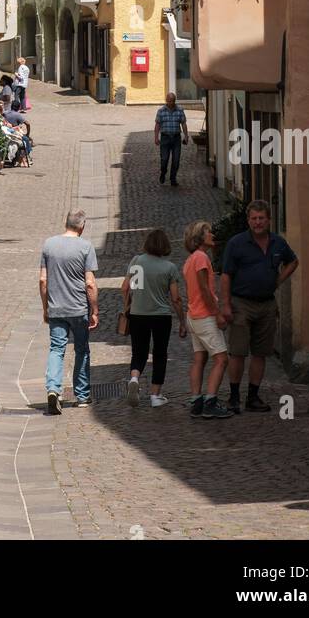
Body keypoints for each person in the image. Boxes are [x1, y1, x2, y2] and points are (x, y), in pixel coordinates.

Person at [219, 200, 299, 414]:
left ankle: (253, 397)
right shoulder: (236, 243)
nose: (257, 222)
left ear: (269, 220)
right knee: (237, 352)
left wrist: (278, 280)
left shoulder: (278, 243)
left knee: (261, 353)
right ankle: (234, 397)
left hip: (266, 304)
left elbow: (293, 261)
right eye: (253, 218)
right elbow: (226, 275)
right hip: (241, 303)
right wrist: (225, 304)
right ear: (248, 220)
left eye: (261, 218)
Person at [39, 209, 99, 412]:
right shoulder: (85, 246)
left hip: (56, 307)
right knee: (81, 350)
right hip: (78, 308)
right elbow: (89, 283)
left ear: (66, 223)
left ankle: (53, 389)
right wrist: (95, 310)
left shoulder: (49, 244)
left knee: (57, 349)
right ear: (82, 226)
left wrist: (45, 306)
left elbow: (43, 280)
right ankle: (82, 395)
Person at [122, 228, 186, 408]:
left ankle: (134, 378)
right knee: (159, 354)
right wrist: (182, 320)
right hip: (161, 316)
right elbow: (175, 298)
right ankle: (155, 395)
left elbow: (126, 288)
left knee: (139, 352)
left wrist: (127, 306)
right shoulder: (169, 267)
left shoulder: (136, 261)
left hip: (137, 314)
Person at [183, 220, 232, 418]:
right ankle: (210, 401)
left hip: (193, 315)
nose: (212, 235)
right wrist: (217, 313)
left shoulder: (190, 259)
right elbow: (204, 290)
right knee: (221, 359)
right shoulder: (202, 258)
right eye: (209, 232)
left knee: (199, 359)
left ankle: (196, 400)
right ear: (200, 238)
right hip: (205, 316)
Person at [154, 91, 189, 187]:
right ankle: (163, 172)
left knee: (176, 160)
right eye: (169, 101)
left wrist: (186, 136)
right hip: (165, 138)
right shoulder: (161, 111)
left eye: (172, 101)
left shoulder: (180, 110)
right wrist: (156, 137)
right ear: (166, 101)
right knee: (164, 159)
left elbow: (183, 124)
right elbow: (157, 125)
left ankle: (173, 178)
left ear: (175, 101)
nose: (170, 103)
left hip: (176, 138)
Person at [0, 99, 32, 164]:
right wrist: (28, 133)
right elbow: (28, 124)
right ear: (18, 107)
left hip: (8, 132)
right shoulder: (17, 115)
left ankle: (22, 158)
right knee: (26, 139)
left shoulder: (5, 113)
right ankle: (26, 157)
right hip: (11, 134)